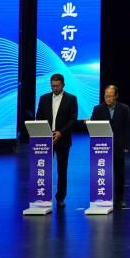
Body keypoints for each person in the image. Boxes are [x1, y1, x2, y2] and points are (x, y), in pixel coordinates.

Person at [36, 73, 79, 206]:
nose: (55, 88)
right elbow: (39, 117)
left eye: (57, 86)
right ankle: (43, 196)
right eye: (53, 86)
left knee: (62, 169)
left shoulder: (71, 99)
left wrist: (61, 132)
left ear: (63, 85)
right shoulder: (44, 98)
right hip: (46, 139)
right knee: (44, 169)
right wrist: (44, 132)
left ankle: (60, 197)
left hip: (63, 139)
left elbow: (73, 119)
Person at [90, 84, 130, 208]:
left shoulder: (124, 108)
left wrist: (126, 145)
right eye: (106, 96)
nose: (108, 98)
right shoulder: (98, 109)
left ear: (116, 96)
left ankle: (120, 199)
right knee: (103, 172)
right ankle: (103, 197)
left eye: (111, 96)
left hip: (118, 146)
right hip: (102, 147)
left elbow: (128, 128)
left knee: (119, 174)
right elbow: (93, 126)